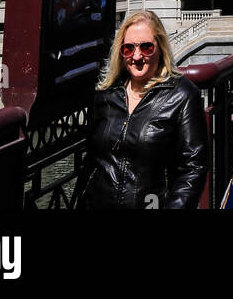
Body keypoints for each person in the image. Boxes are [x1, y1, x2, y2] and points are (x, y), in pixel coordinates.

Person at [75, 10, 208, 209]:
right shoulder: (106, 93)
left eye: (146, 47)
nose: (137, 56)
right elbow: (91, 160)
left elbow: (194, 168)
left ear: (160, 48)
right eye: (128, 49)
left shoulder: (183, 95)